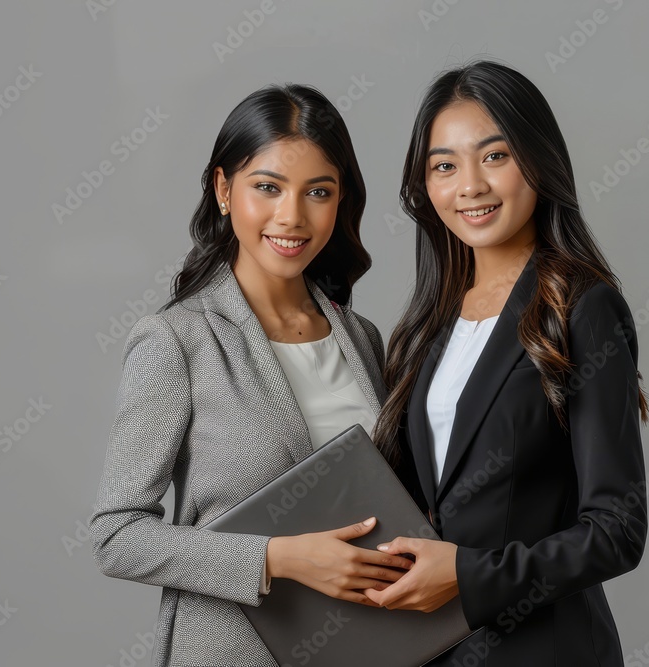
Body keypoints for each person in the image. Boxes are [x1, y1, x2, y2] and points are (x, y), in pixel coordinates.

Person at [89, 83, 413, 667]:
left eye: (319, 191)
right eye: (267, 187)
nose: (292, 216)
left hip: (366, 647)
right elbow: (116, 537)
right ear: (222, 189)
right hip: (230, 651)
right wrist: (277, 558)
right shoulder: (177, 339)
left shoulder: (360, 336)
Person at [368, 60, 649, 666]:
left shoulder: (582, 308)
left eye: (495, 156)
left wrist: (470, 575)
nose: (469, 185)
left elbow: (616, 531)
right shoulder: (427, 325)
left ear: (539, 160)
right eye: (444, 166)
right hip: (436, 650)